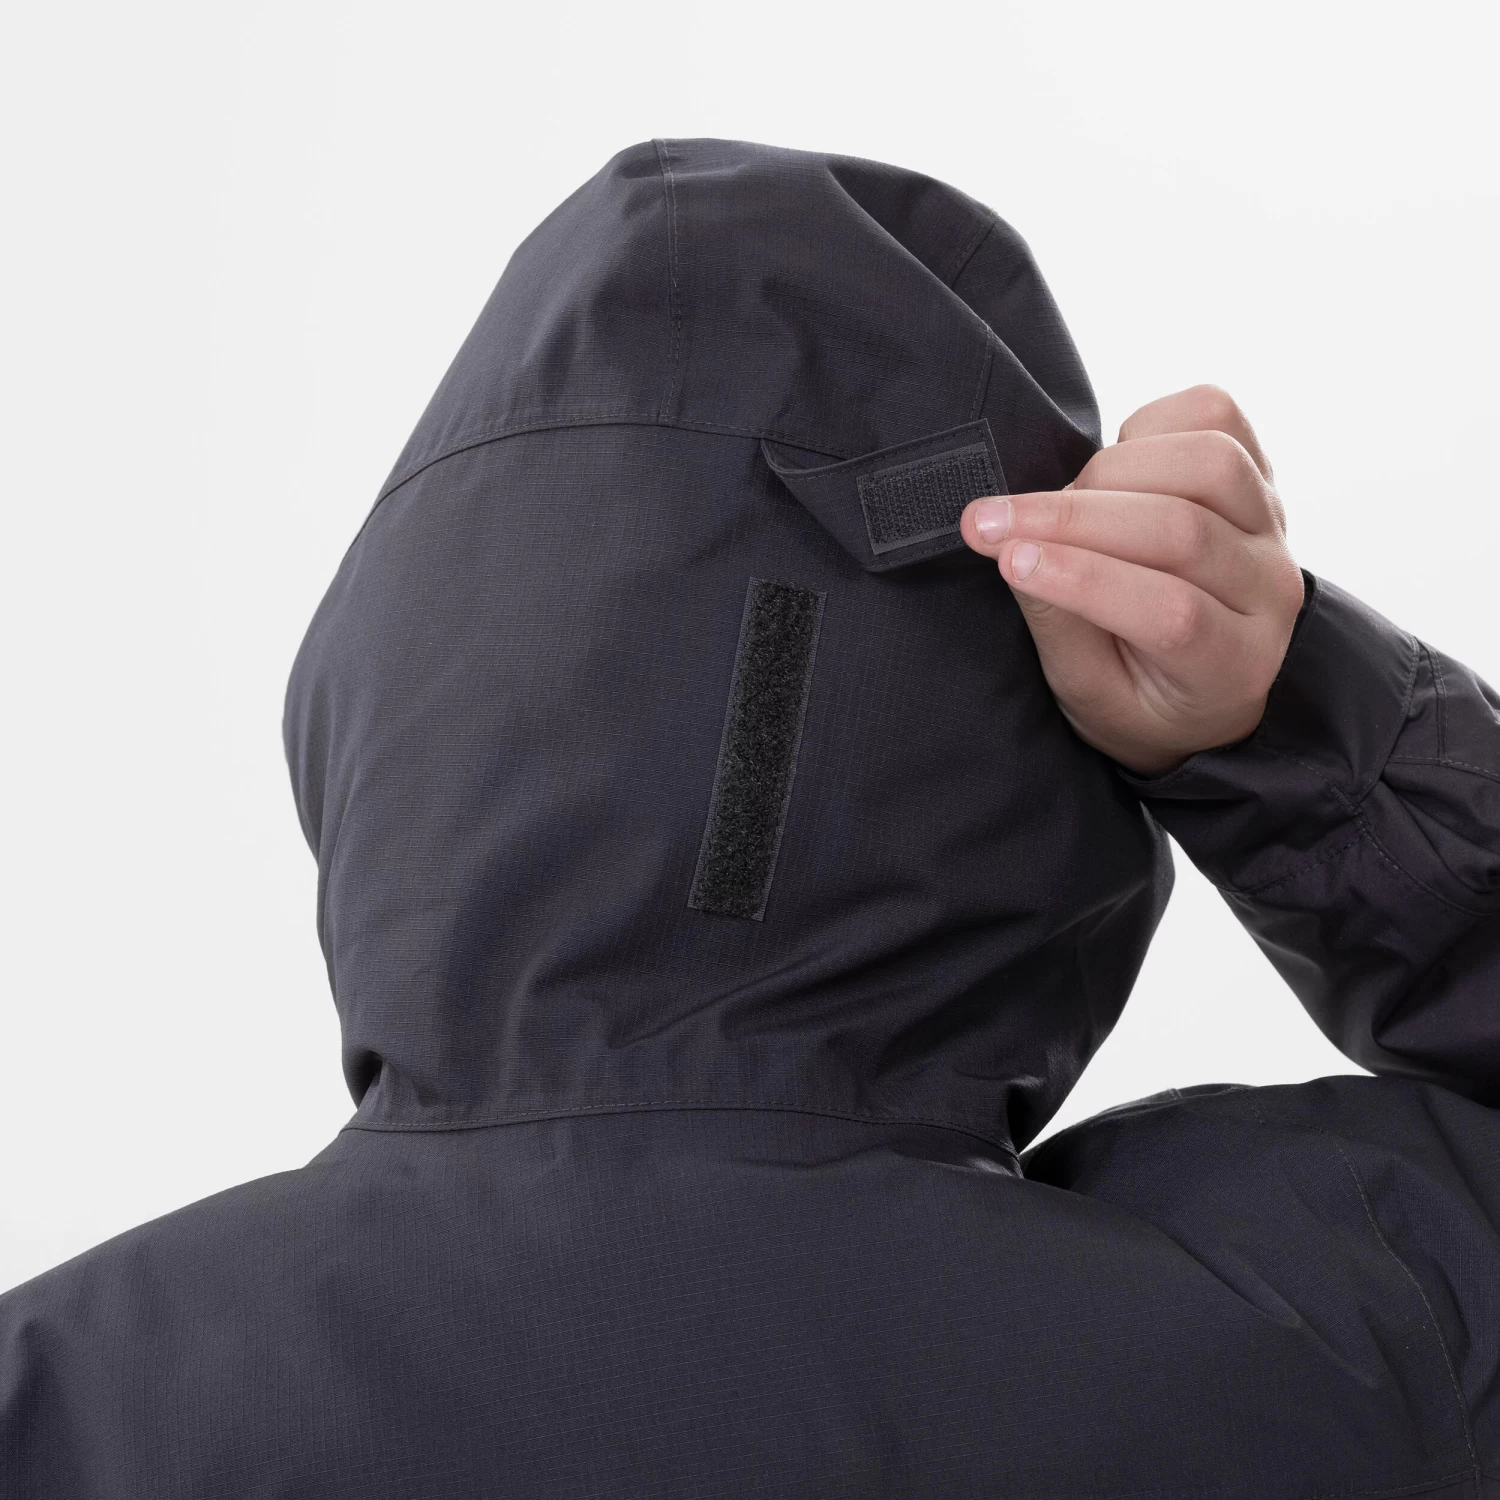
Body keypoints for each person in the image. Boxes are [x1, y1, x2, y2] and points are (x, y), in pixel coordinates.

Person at [3, 138, 1498, 1499]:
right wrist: (1286, 717)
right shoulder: (1355, 1320)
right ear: (1018, 696)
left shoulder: (64, 1399)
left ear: (388, 696)